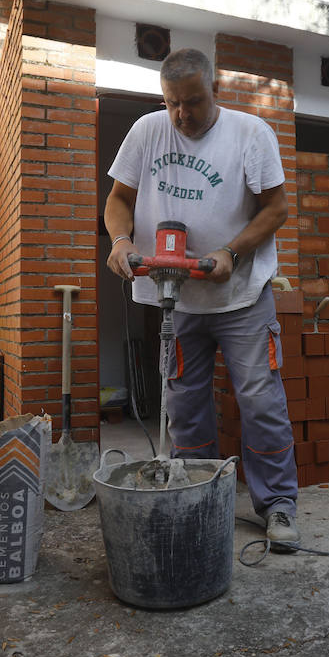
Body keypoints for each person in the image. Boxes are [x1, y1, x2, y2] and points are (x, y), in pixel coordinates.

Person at [104, 47, 299, 547]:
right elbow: (119, 200)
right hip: (178, 299)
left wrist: (233, 251)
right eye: (172, 103)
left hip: (241, 299)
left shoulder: (250, 134)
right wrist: (122, 241)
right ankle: (197, 495)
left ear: (215, 91)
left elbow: (276, 208)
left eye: (192, 102)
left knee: (259, 400)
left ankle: (278, 506)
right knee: (185, 404)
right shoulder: (148, 131)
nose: (181, 115)